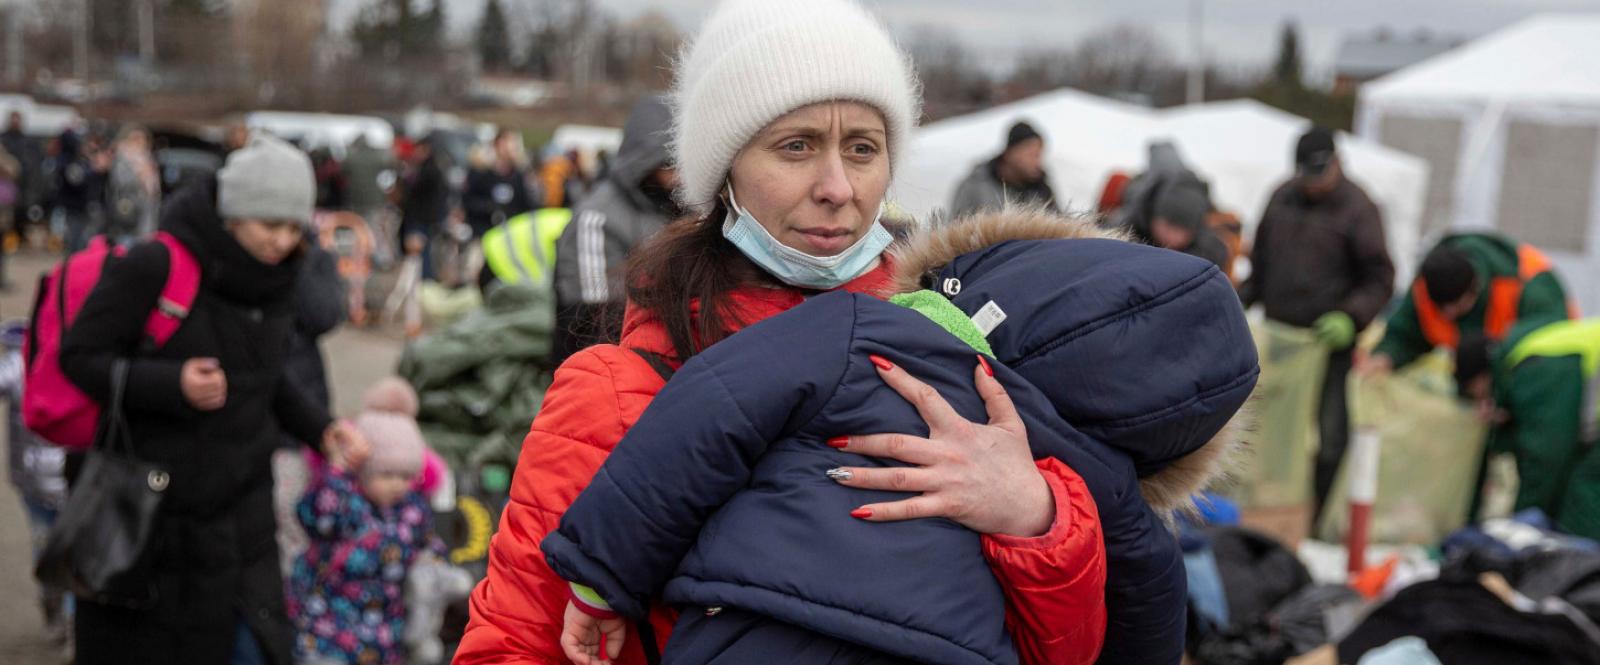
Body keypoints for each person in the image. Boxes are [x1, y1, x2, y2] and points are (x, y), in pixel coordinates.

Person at [457, 1, 1253, 664]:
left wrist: (1036, 517)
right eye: (796, 145)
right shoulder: (616, 391)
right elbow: (517, 641)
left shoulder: (976, 360)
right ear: (723, 171)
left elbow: (1081, 648)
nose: (837, 187)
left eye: (863, 148)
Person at [545, 208, 1257, 665]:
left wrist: (601, 576)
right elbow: (1150, 615)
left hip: (758, 631)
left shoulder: (860, 328)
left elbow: (706, 413)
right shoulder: (1100, 490)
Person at [59, 134, 371, 665]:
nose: (281, 241)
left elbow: (266, 380)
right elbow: (80, 357)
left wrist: (321, 428)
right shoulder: (155, 264)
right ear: (232, 212)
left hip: (242, 523)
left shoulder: (278, 278)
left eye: (293, 228)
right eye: (268, 224)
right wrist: (170, 383)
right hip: (151, 524)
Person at [1239, 127, 1395, 521]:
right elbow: (1261, 265)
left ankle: (1314, 515)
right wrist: (1237, 301)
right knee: (1270, 430)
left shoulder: (1359, 208)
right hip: (1280, 341)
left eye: (1320, 176)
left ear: (1337, 165)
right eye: (1307, 177)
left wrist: (1351, 316)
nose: (1313, 185)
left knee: (1327, 437)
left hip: (1328, 345)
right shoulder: (1281, 197)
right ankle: (1266, 506)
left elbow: (1380, 277)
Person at [287, 378, 439, 665]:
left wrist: (435, 569)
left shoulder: (413, 509)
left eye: (405, 476)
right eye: (386, 474)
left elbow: (428, 543)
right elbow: (313, 515)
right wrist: (335, 472)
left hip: (383, 630)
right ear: (363, 470)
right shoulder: (342, 499)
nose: (397, 484)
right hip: (328, 625)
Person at [550, 95, 678, 364]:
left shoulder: (679, 207)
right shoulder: (597, 217)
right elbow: (589, 319)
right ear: (643, 162)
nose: (677, 174)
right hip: (609, 364)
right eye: (667, 163)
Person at [1455, 321, 1600, 540]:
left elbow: (1546, 459)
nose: (1480, 407)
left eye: (1475, 395)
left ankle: (1586, 569)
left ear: (1482, 378)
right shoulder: (1526, 349)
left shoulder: (1532, 370)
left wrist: (1518, 528)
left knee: (1582, 494)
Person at [1363, 231, 1571, 375]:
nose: (1448, 316)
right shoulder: (1428, 285)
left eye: (1457, 307)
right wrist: (1386, 356)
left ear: (1476, 288)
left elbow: (1548, 353)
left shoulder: (1529, 286)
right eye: (1440, 308)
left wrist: (1500, 390)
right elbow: (1406, 333)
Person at [1, 320, 74, 649]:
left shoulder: (19, 361)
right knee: (73, 550)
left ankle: (60, 613)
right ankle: (67, 616)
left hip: (37, 480)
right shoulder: (85, 355)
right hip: (71, 478)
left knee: (48, 548)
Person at [948, 120, 1058, 218]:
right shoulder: (974, 187)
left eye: (1039, 155)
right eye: (1031, 155)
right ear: (1011, 153)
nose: (1037, 162)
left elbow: (1061, 227)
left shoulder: (1042, 190)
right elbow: (954, 231)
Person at [462, 129, 533, 239]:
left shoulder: (518, 176)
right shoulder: (482, 173)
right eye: (507, 143)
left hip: (510, 237)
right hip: (484, 233)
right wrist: (489, 207)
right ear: (497, 145)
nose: (510, 148)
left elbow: (526, 206)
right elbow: (468, 202)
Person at [399, 135, 448, 281]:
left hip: (422, 217)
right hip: (424, 216)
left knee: (422, 253)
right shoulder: (429, 168)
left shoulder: (428, 170)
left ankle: (425, 281)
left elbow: (413, 190)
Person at [106, 126, 162, 245]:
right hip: (129, 207)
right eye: (136, 139)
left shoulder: (147, 158)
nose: (140, 142)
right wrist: (140, 175)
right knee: (127, 243)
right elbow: (120, 181)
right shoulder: (123, 158)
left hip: (146, 209)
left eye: (142, 139)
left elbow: (154, 187)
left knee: (145, 241)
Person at [53, 129, 98, 254]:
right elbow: (77, 180)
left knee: (81, 242)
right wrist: (93, 170)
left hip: (79, 207)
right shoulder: (67, 161)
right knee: (75, 243)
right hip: (74, 208)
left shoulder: (76, 160)